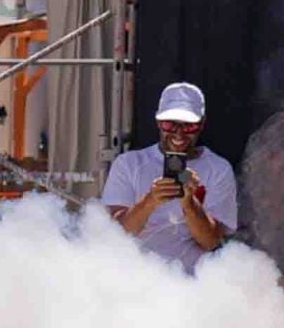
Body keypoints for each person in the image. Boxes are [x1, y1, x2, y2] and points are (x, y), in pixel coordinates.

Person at [102, 82, 239, 271]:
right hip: (134, 277)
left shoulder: (218, 169)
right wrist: (150, 201)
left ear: (201, 125)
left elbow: (212, 241)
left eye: (188, 126)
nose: (179, 133)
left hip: (191, 283)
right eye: (170, 124)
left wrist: (189, 203)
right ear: (158, 123)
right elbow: (116, 233)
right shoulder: (129, 164)